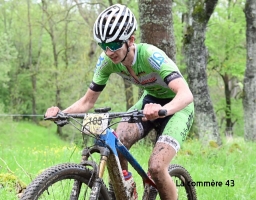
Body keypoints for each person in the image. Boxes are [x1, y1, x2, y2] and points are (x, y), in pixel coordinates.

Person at [45, 4, 194, 200]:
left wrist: (162, 110)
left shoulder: (150, 55)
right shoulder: (107, 61)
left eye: (114, 45)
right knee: (117, 141)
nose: (109, 52)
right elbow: (88, 101)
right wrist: (62, 113)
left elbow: (186, 94)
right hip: (148, 101)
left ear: (130, 40)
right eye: (103, 46)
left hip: (178, 107)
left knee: (156, 167)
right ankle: (127, 192)